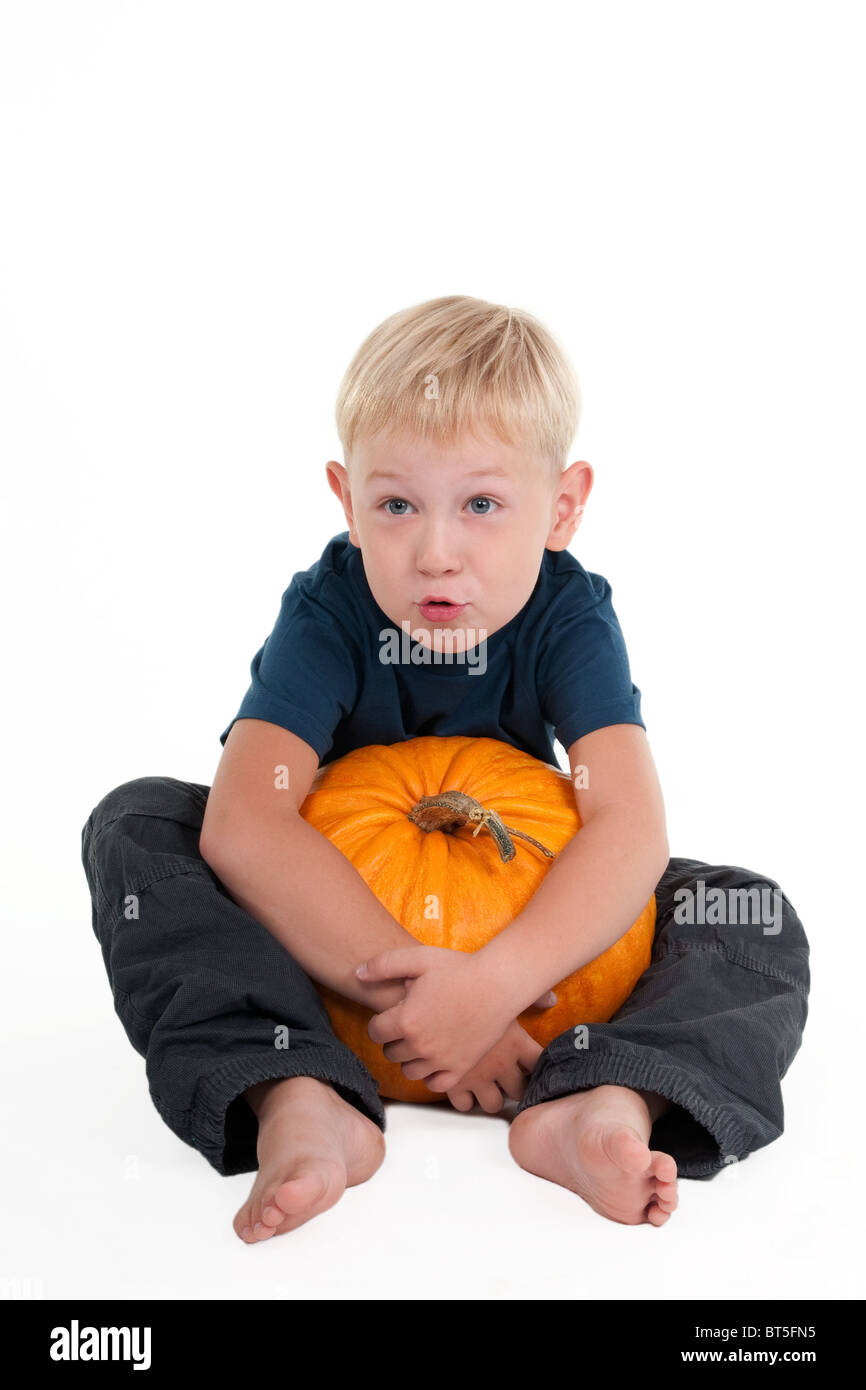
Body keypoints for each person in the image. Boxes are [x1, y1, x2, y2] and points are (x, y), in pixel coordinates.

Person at [80, 295, 809, 1243]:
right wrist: (424, 1001)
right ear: (346, 501)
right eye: (395, 505)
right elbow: (247, 823)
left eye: (481, 505)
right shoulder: (331, 613)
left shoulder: (567, 616)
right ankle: (296, 1090)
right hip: (339, 947)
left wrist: (495, 984)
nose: (435, 551)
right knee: (140, 826)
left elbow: (627, 826)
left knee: (747, 911)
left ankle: (602, 1097)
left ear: (565, 506)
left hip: (527, 954)